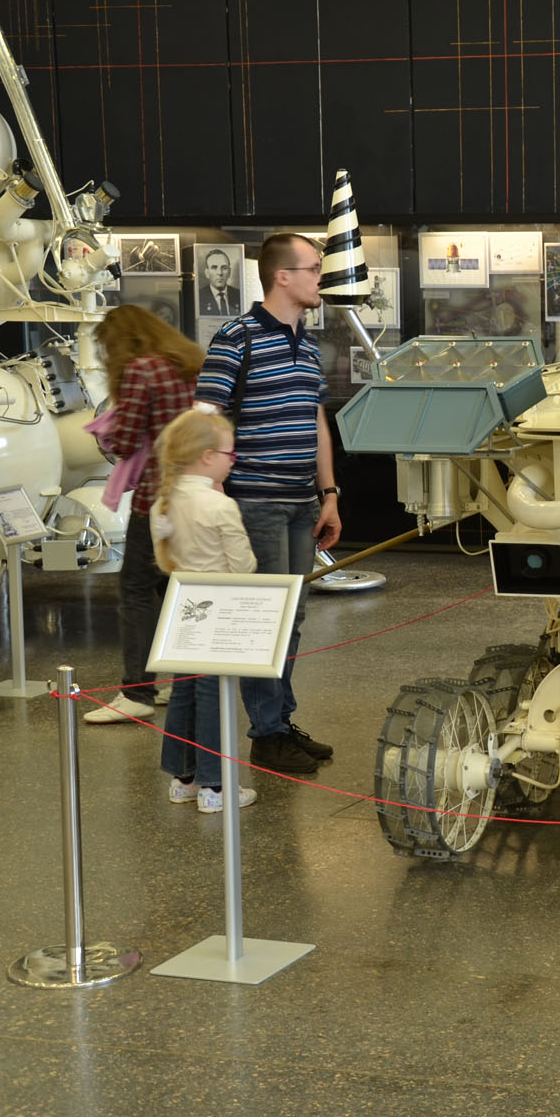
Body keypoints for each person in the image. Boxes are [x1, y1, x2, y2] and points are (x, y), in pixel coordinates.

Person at [192, 232, 341, 775]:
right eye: (314, 268)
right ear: (284, 276)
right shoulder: (238, 337)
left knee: (292, 619)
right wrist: (209, 494)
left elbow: (316, 422)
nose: (320, 277)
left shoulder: (306, 343)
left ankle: (277, 723)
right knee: (267, 620)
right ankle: (268, 733)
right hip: (255, 504)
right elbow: (205, 417)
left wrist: (329, 495)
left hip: (302, 503)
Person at [85, 304, 203, 724]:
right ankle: (182, 680)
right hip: (193, 494)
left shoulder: (139, 370)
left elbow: (127, 437)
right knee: (174, 590)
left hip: (154, 497)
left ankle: (136, 691)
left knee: (135, 590)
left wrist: (108, 433)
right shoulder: (189, 363)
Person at [150, 410, 259, 813]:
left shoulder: (161, 504)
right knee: (213, 694)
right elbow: (244, 566)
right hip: (220, 610)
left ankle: (184, 778)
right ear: (207, 456)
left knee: (184, 690)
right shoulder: (218, 505)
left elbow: (165, 563)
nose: (234, 459)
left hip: (184, 607)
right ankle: (216, 786)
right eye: (231, 452)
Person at [199, 247, 238, 317]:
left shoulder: (239, 295)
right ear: (207, 273)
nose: (220, 273)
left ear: (229, 272)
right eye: (214, 267)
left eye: (224, 268)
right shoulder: (199, 298)